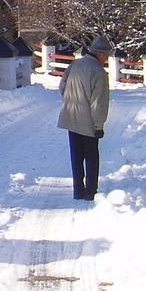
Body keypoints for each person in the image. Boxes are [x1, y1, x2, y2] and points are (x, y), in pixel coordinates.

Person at [57, 35, 111, 200]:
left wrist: (71, 102)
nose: (107, 59)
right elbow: (99, 102)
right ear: (100, 54)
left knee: (76, 156)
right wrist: (98, 126)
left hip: (70, 117)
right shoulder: (99, 72)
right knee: (91, 158)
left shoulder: (74, 64)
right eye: (107, 55)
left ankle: (78, 190)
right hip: (88, 121)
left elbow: (62, 87)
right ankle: (90, 192)